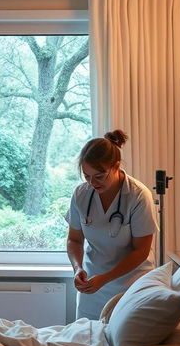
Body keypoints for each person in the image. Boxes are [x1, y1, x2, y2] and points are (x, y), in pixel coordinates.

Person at [65, 129, 157, 320]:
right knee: (87, 338)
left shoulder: (138, 196)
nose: (92, 183)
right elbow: (74, 240)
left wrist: (105, 278)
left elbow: (141, 250)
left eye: (99, 176)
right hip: (92, 285)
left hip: (130, 284)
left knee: (123, 342)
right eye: (86, 176)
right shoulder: (81, 194)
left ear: (115, 166)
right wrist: (78, 268)